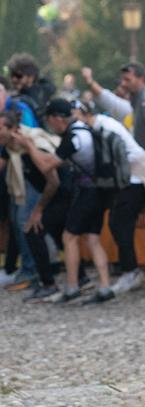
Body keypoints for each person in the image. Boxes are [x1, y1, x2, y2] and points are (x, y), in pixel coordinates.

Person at [23, 99, 118, 304]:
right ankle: (104, 287)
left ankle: (73, 287)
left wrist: (29, 146)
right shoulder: (85, 129)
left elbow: (47, 166)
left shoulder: (74, 136)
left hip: (88, 191)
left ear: (57, 118)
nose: (50, 126)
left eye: (49, 121)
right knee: (92, 239)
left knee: (69, 236)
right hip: (101, 189)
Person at [73, 100, 145, 294]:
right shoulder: (100, 126)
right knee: (118, 224)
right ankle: (130, 270)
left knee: (120, 224)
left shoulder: (105, 128)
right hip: (129, 178)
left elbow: (116, 160)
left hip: (135, 178)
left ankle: (131, 271)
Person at [0, 111, 67, 301]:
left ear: (13, 130)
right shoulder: (12, 147)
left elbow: (51, 177)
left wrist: (38, 209)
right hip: (50, 191)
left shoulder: (30, 143)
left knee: (32, 228)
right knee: (52, 233)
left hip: (61, 191)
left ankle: (43, 279)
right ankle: (70, 279)